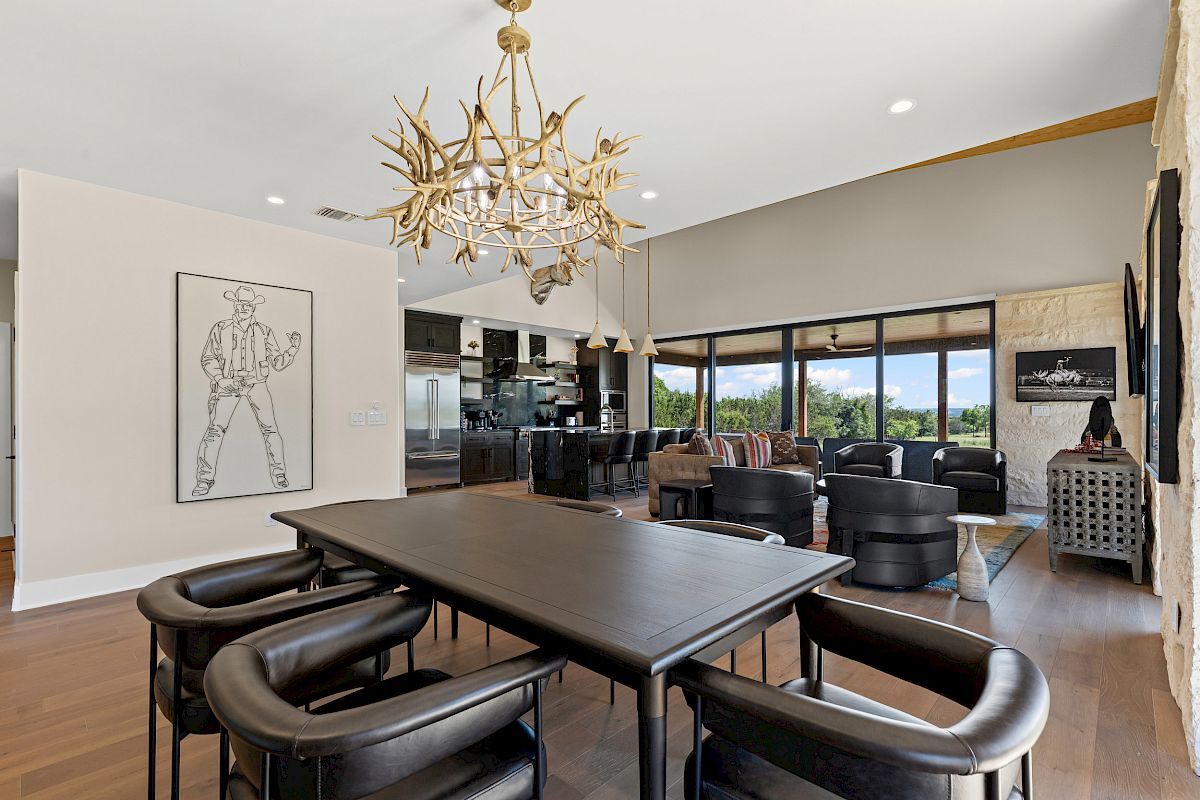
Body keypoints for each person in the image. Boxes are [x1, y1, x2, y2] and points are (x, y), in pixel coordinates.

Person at [192, 286, 301, 497]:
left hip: (257, 385)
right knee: (215, 432)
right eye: (241, 304)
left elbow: (277, 363)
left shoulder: (264, 331)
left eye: (248, 305)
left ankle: (279, 475)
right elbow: (207, 358)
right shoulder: (220, 328)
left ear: (253, 307)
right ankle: (204, 480)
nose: (244, 308)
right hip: (228, 385)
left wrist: (293, 349)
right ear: (235, 305)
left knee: (271, 430)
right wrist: (220, 379)